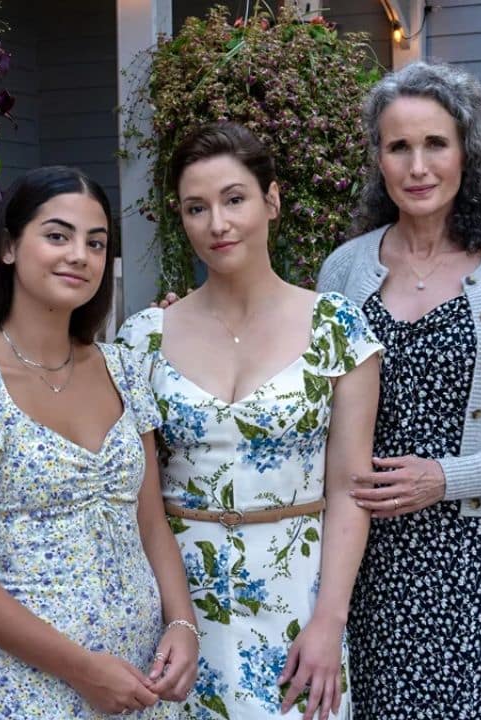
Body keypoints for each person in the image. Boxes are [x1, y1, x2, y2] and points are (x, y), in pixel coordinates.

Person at [316, 61, 481, 718]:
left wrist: (446, 477)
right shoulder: (344, 269)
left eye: (435, 143)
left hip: (473, 563)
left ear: (468, 151)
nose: (418, 166)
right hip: (362, 560)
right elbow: (303, 404)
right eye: (398, 146)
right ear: (378, 159)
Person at [0, 165, 199, 718]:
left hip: (142, 679)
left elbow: (150, 522)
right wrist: (83, 669)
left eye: (96, 242)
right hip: (27, 687)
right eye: (58, 235)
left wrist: (182, 623)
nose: (79, 256)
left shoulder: (123, 369)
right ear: (9, 247)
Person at [117, 122, 382, 720]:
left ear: (272, 200)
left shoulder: (337, 329)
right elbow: (138, 493)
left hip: (297, 608)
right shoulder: (143, 338)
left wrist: (329, 622)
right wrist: (171, 615)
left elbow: (350, 489)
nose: (218, 223)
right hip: (176, 610)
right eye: (196, 208)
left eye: (234, 199)